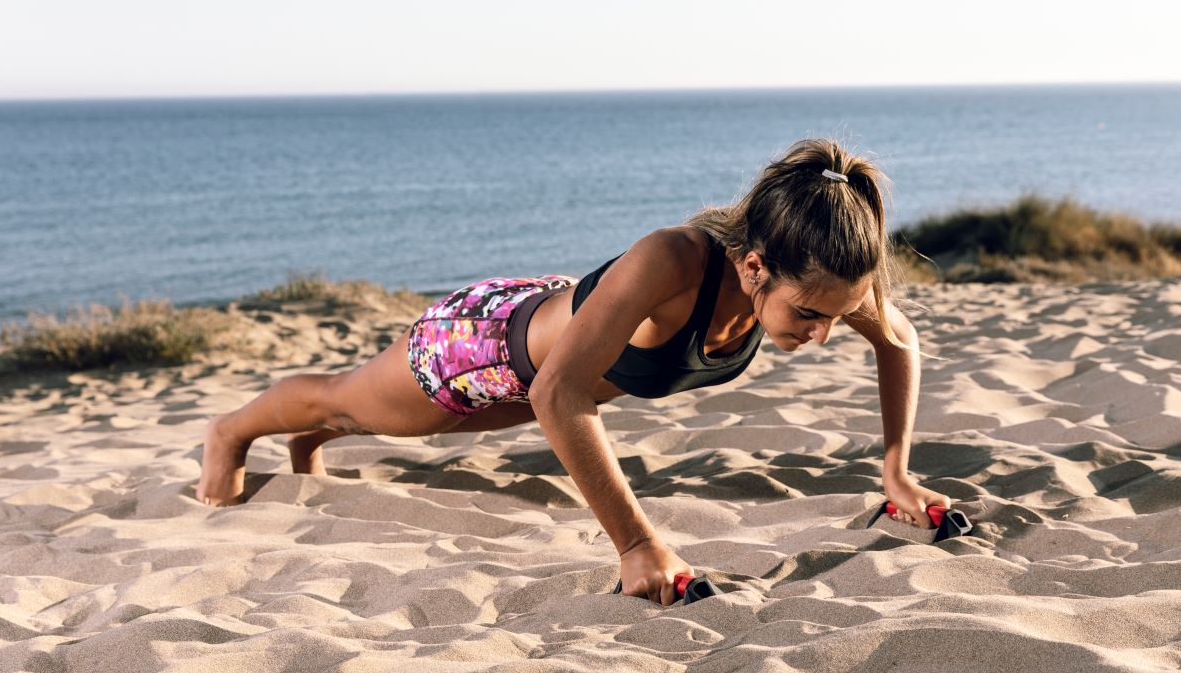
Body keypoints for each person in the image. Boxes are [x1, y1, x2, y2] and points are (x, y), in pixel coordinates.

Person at [196, 138, 952, 606]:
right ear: (755, 268)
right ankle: (230, 435)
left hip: (554, 365)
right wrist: (636, 545)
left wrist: (896, 471)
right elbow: (558, 391)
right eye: (810, 319)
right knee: (346, 403)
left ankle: (307, 446)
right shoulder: (675, 259)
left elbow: (899, 342)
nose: (824, 336)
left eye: (835, 316)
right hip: (484, 347)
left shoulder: (816, 274)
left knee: (350, 418)